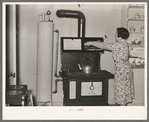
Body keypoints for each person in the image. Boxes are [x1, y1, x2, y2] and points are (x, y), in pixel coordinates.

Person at [85, 27, 135, 106]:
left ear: (119, 36)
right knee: (124, 94)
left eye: (116, 34)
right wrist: (96, 42)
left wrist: (91, 42)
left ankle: (123, 115)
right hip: (126, 70)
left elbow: (105, 46)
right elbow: (107, 44)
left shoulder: (118, 45)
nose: (114, 35)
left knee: (121, 95)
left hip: (122, 72)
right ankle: (124, 111)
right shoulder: (124, 44)